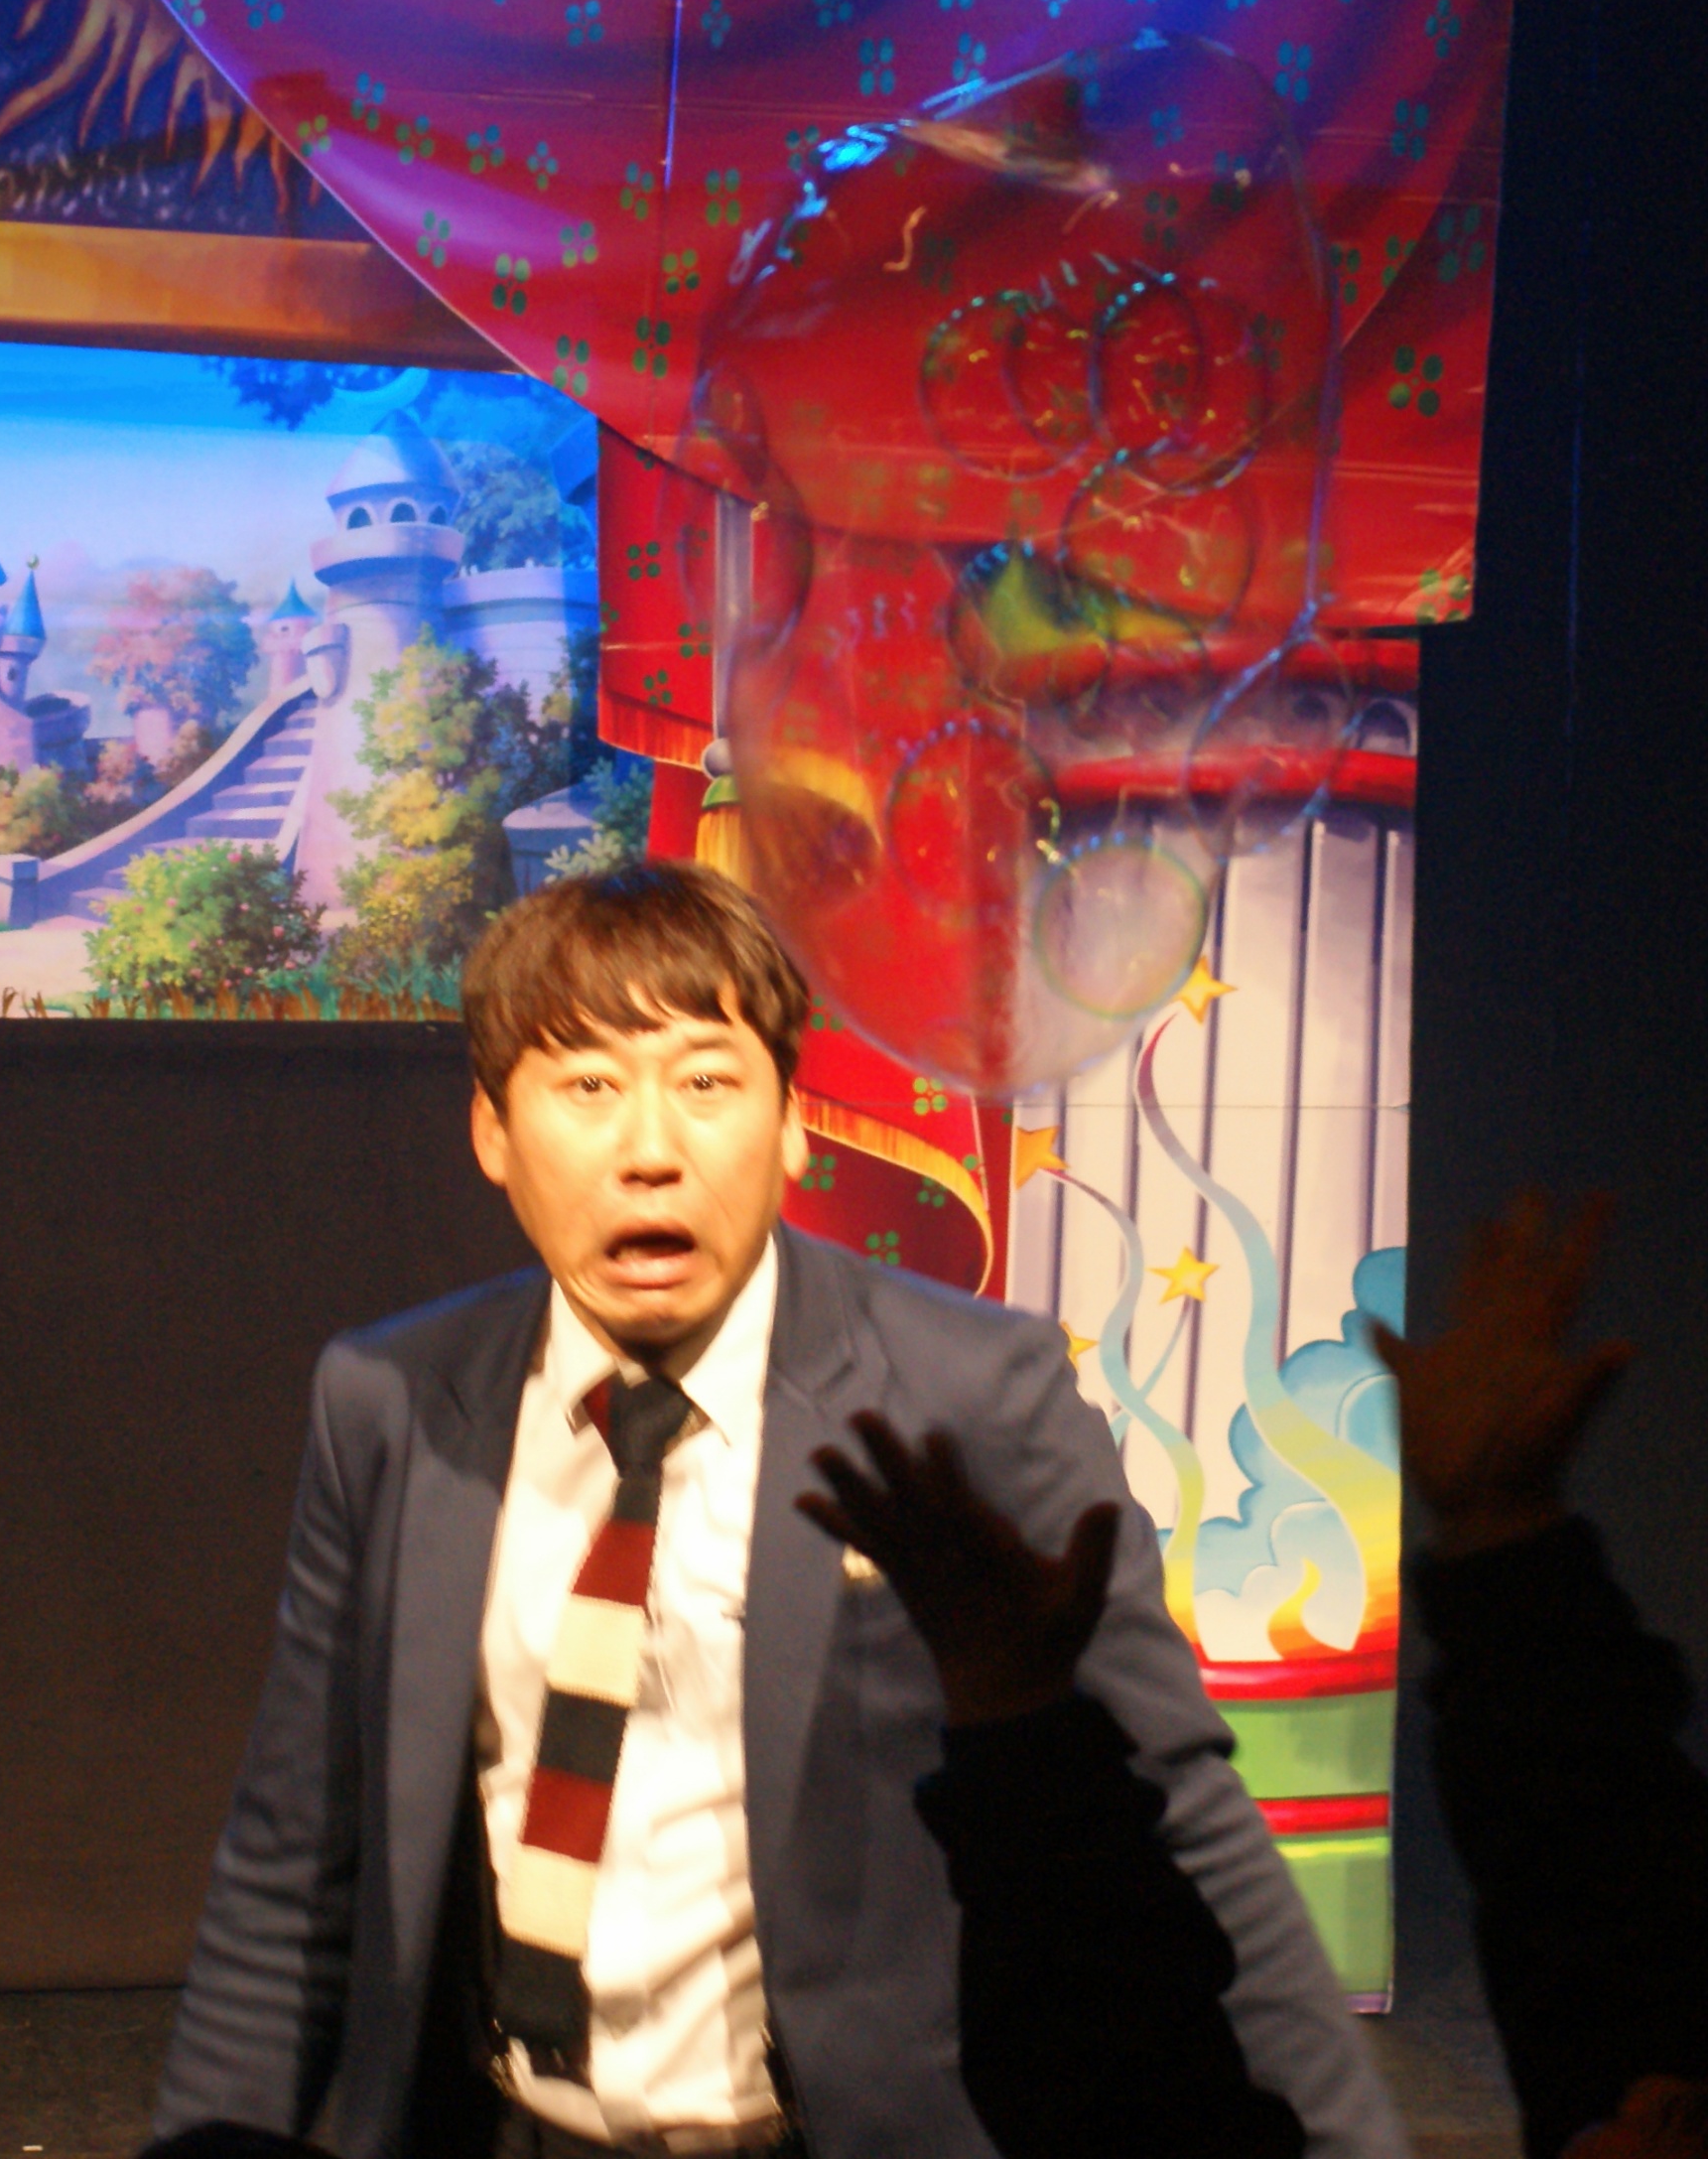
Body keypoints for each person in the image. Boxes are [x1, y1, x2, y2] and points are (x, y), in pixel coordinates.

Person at [147, 862, 1400, 2159]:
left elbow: (1174, 1812)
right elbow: (295, 1856)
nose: (650, 1151)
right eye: (587, 1087)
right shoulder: (393, 1402)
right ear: (494, 1132)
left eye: (706, 1082)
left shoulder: (972, 1396)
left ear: (794, 1123)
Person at [800, 1191, 1708, 2159]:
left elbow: (1130, 2111)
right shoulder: (1685, 2097)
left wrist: (1020, 1725)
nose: (1648, 2090)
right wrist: (1505, 1534)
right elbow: (1621, 1921)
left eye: (1688, 2120)